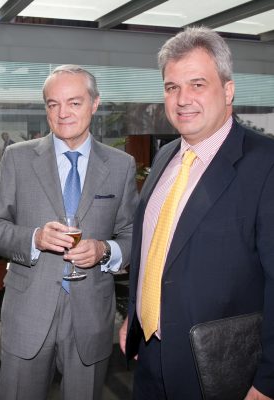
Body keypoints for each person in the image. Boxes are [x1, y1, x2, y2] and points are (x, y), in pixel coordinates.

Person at [120, 26, 274, 400]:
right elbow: (152, 250)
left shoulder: (266, 164)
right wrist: (134, 317)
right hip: (149, 358)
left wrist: (268, 380)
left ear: (228, 90)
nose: (182, 99)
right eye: (172, 87)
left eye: (197, 84)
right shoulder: (163, 157)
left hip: (221, 369)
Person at [0, 64, 139, 400]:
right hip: (28, 311)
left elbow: (132, 234)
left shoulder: (120, 165)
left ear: (95, 104)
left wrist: (104, 251)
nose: (62, 113)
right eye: (53, 104)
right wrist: (34, 239)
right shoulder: (17, 158)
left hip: (90, 314)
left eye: (74, 102)